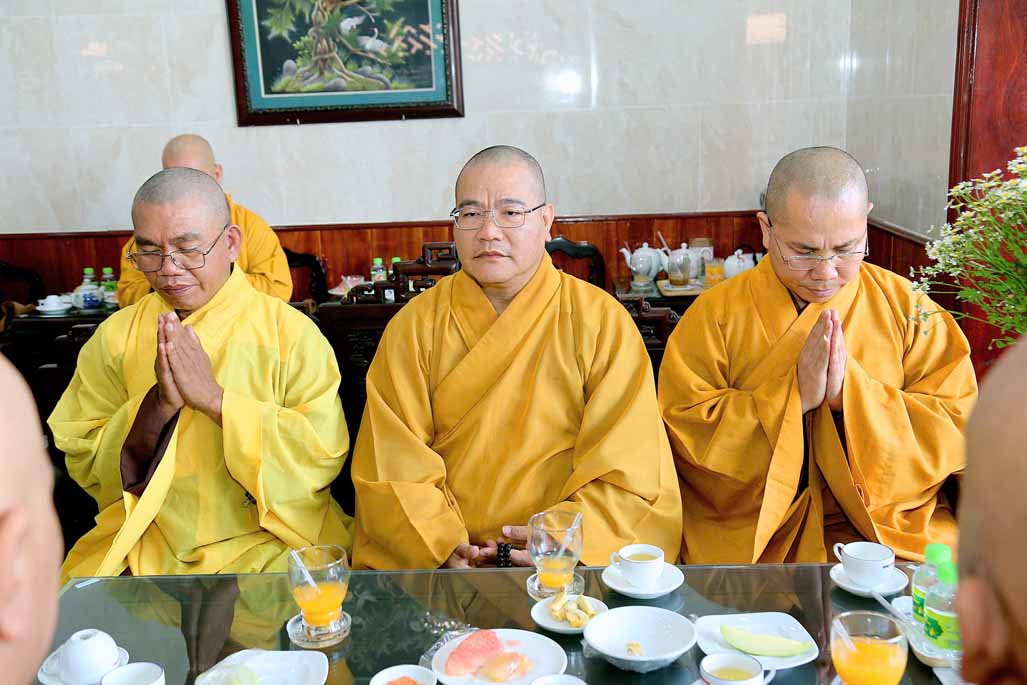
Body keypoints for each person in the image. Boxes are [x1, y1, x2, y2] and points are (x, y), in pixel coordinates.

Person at [351, 146, 682, 569]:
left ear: (546, 222)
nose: (489, 232)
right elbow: (391, 464)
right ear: (454, 225)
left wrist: (561, 539)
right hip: (447, 566)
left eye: (510, 213)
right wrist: (439, 545)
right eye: (471, 214)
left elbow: (631, 470)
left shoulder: (601, 323)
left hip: (563, 563)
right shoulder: (414, 328)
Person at [659, 146, 977, 564]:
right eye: (805, 251)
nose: (826, 272)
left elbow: (956, 426)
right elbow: (683, 429)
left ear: (866, 222)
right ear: (766, 229)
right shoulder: (713, 316)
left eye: (847, 249)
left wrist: (852, 396)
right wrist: (793, 396)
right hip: (755, 534)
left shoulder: (910, 310)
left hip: (887, 533)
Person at [49, 168, 351, 581]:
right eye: (149, 251)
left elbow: (320, 456)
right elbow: (81, 453)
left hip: (269, 543)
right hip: (145, 542)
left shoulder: (291, 334)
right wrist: (157, 408)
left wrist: (216, 401)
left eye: (188, 249)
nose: (168, 269)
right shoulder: (116, 336)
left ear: (230, 243)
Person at [116, 134, 292, 307]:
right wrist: (173, 289)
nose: (184, 189)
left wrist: (210, 283)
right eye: (174, 178)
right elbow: (128, 293)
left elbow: (278, 289)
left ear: (217, 174)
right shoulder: (152, 233)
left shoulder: (250, 226)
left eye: (188, 248)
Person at [956, 339, 1027, 683]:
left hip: (901, 518)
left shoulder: (922, 322)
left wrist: (852, 395)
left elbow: (948, 429)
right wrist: (797, 398)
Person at [0, 357, 63, 684]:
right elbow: (83, 444)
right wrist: (157, 406)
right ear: (12, 576)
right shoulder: (111, 342)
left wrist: (213, 400)